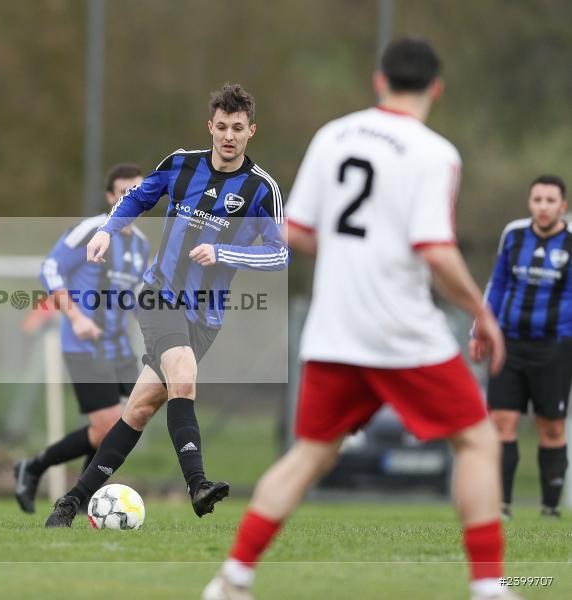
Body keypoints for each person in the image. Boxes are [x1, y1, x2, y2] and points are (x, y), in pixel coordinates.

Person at [203, 38, 517, 600]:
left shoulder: (334, 135)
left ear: (379, 80)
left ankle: (232, 579)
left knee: (309, 454)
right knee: (476, 443)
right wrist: (482, 311)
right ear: (436, 89)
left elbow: (295, 232)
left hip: (334, 331)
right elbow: (436, 251)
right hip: (401, 332)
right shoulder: (434, 153)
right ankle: (490, 587)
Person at [45, 83, 289, 527]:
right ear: (209, 126)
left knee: (137, 411)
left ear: (251, 130)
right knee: (184, 374)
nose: (228, 136)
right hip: (160, 295)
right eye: (221, 127)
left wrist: (226, 253)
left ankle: (71, 503)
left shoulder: (261, 189)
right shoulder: (181, 165)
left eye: (238, 128)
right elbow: (138, 196)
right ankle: (197, 484)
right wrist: (107, 230)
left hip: (206, 316)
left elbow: (279, 254)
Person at [13, 163, 148, 514]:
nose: (130, 199)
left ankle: (77, 496)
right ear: (109, 196)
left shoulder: (142, 244)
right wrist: (75, 316)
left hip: (120, 349)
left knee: (122, 426)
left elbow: (132, 296)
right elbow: (50, 268)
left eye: (136, 192)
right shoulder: (93, 230)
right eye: (123, 192)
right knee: (107, 425)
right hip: (84, 345)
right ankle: (45, 473)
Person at [479, 174, 570, 521]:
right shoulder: (514, 235)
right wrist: (481, 330)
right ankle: (501, 505)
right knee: (501, 420)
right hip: (509, 343)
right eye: (537, 200)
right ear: (529, 202)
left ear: (562, 205)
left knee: (551, 427)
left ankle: (550, 508)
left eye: (550, 201)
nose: (543, 207)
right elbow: (498, 283)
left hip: (555, 346)